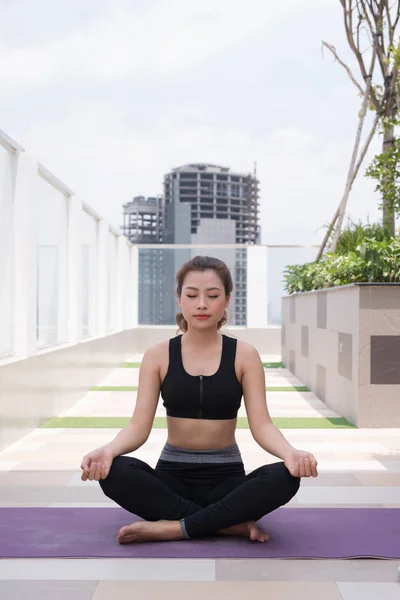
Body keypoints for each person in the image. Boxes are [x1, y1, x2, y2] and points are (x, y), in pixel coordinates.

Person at [80, 255, 318, 544]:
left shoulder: (245, 355)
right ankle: (227, 524)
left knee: (285, 477)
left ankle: (173, 527)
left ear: (227, 299)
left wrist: (289, 453)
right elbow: (138, 427)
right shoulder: (158, 355)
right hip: (172, 478)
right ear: (179, 298)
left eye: (213, 295)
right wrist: (108, 450)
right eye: (192, 295)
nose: (202, 304)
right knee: (116, 470)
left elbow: (262, 425)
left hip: (226, 480)